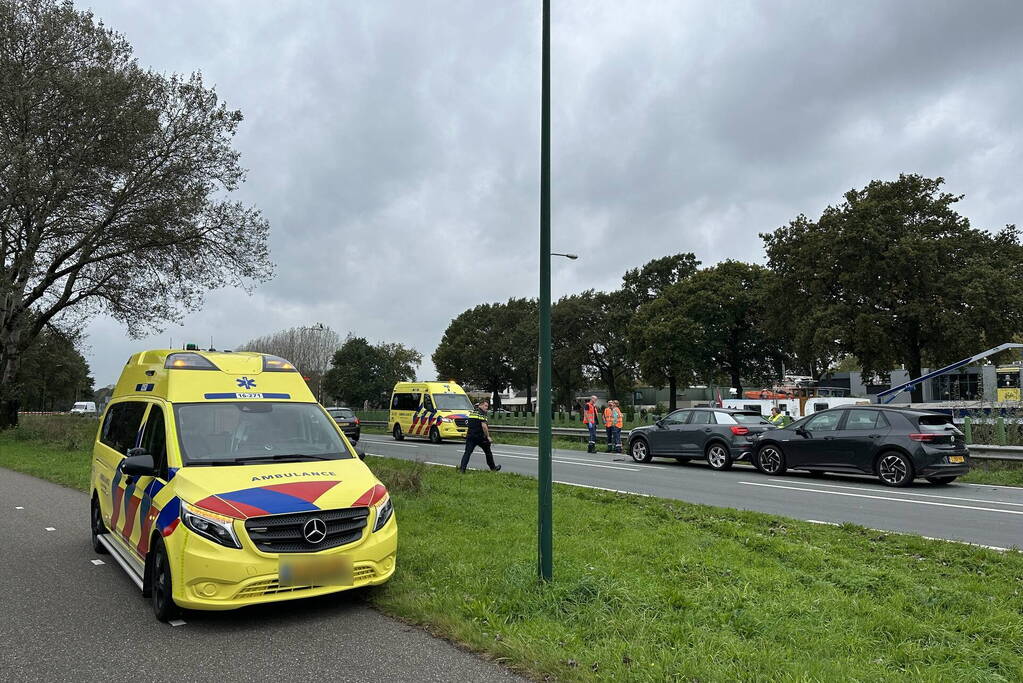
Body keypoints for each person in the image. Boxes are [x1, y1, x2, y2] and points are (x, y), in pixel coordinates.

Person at [459, 399, 501, 473]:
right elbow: (484, 426)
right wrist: (488, 436)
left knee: (467, 453)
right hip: (480, 437)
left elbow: (469, 424)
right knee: (488, 452)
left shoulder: (472, 412)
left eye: (487, 406)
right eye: (485, 406)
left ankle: (462, 469)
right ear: (480, 405)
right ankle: (493, 468)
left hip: (471, 436)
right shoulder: (482, 414)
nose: (486, 408)